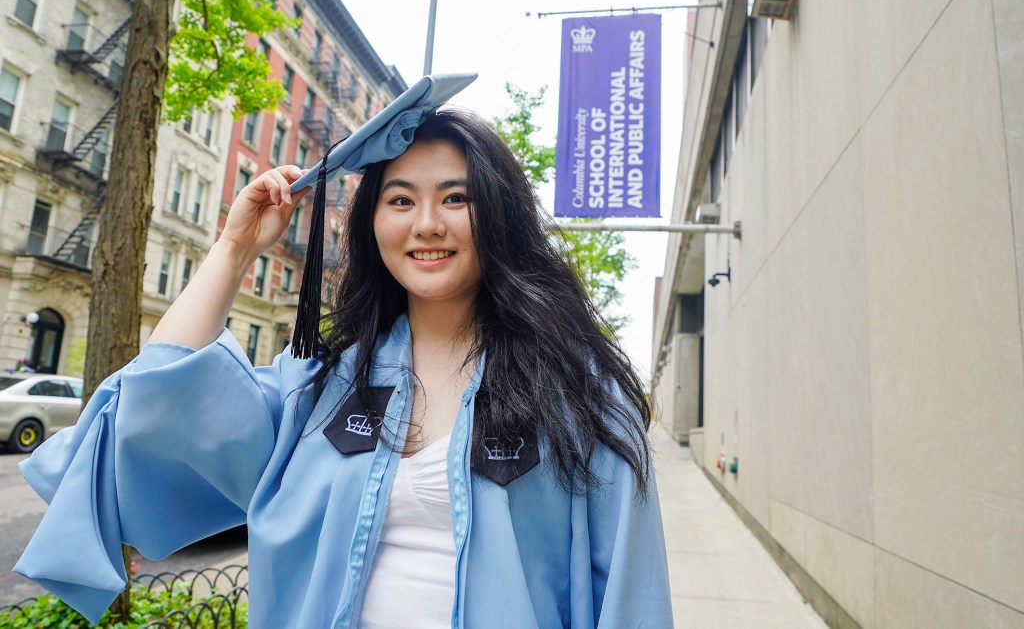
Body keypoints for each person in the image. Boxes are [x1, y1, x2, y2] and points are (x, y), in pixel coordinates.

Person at [15, 107, 672, 628]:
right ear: (373, 222)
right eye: (401, 200)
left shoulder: (576, 390)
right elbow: (155, 406)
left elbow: (629, 591)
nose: (427, 224)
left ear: (498, 216)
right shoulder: (322, 389)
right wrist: (234, 247)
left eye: (455, 198)